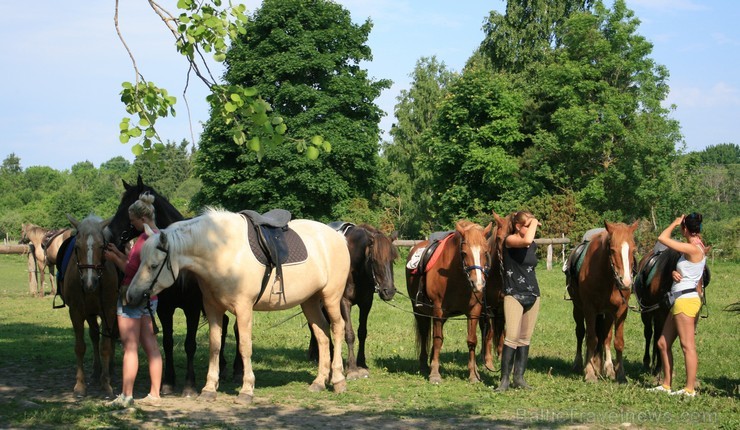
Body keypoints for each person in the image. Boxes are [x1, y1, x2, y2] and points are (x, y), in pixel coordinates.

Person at [104, 192, 163, 408]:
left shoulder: (145, 238)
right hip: (150, 297)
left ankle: (126, 396)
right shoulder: (158, 235)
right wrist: (121, 256)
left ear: (143, 219)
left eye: (133, 220)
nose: (132, 224)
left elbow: (133, 270)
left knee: (130, 347)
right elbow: (138, 265)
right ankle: (155, 394)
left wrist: (113, 259)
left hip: (132, 296)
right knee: (152, 346)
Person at [649, 213, 706, 397]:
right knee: (663, 343)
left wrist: (673, 223)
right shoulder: (694, 247)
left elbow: (662, 238)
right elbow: (691, 270)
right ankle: (666, 385)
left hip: (686, 301)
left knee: (687, 346)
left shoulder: (693, 247)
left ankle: (689, 389)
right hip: (679, 299)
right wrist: (675, 272)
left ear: (685, 229)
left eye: (681, 227)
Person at [495, 210, 542, 392]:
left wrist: (530, 223)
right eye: (528, 225)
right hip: (514, 294)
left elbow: (530, 242)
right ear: (517, 227)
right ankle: (504, 380)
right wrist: (534, 220)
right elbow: (527, 240)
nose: (532, 228)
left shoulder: (533, 245)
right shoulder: (510, 241)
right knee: (512, 337)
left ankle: (519, 377)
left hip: (533, 294)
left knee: (524, 338)